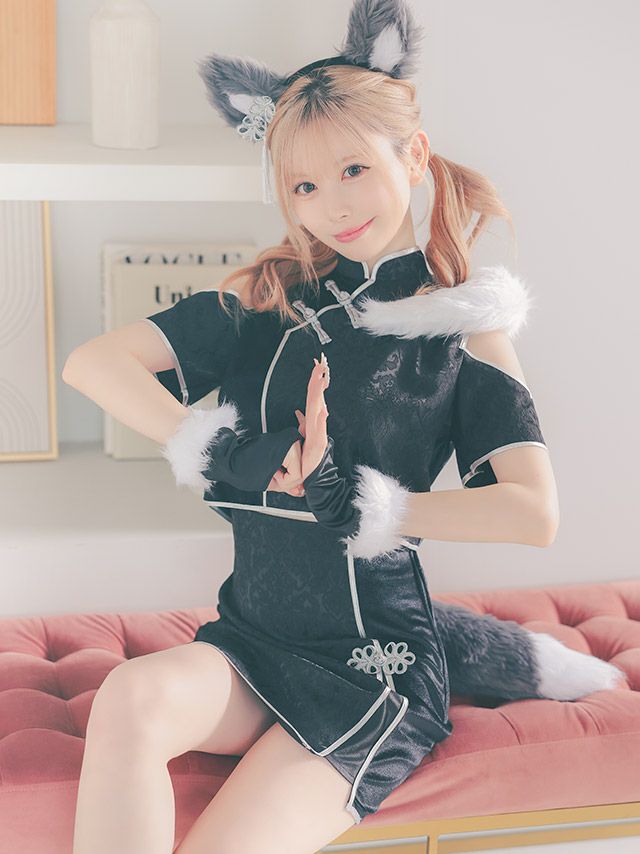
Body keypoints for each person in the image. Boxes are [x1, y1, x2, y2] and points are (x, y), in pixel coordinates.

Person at [66, 1, 621, 852]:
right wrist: (214, 446)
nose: (332, 204)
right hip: (251, 642)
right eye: (304, 185)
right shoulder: (264, 305)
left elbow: (532, 512)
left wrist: (363, 503)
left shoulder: (463, 331)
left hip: (374, 670)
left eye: (354, 168)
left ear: (414, 155)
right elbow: (94, 364)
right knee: (129, 698)